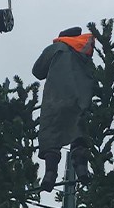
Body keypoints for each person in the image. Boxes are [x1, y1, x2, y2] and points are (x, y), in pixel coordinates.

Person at [32, 27, 96, 192]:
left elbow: (37, 71)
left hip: (56, 99)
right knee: (79, 134)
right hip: (80, 100)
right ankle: (81, 169)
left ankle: (50, 174)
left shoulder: (57, 48)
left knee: (51, 135)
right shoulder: (85, 55)